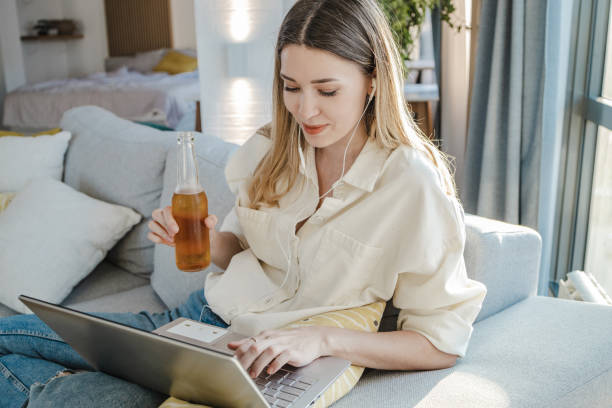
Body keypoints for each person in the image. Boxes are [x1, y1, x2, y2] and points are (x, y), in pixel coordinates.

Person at [0, 0, 487, 407]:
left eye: (327, 90)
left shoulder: (411, 186)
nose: (305, 110)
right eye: (291, 87)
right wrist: (207, 242)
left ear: (373, 80)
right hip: (202, 318)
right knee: (11, 335)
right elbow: (241, 253)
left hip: (261, 357)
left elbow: (440, 342)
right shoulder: (271, 150)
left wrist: (322, 338)